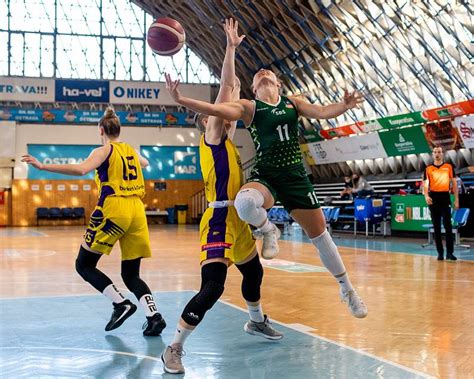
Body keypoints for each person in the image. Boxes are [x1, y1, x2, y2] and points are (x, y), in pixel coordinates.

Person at [165, 53, 368, 319]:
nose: (262, 69)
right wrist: (180, 100)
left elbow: (322, 112)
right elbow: (215, 109)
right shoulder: (249, 108)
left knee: (321, 237)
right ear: (254, 87)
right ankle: (267, 229)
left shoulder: (293, 103)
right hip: (267, 175)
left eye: (267, 71)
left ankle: (347, 290)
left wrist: (344, 105)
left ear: (278, 84)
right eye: (258, 73)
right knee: (245, 202)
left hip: (295, 176)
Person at [161, 19, 282, 375]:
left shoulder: (228, 143)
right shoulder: (212, 135)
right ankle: (174, 347)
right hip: (217, 219)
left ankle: (256, 320)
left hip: (238, 220)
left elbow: (233, 89)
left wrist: (237, 81)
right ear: (207, 121)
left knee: (254, 272)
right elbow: (228, 86)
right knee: (213, 287)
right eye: (218, 111)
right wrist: (230, 49)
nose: (224, 112)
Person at [21, 107, 166, 335]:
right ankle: (154, 317)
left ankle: (120, 303)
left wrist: (42, 166)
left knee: (84, 264)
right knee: (131, 274)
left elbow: (80, 170)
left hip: (114, 208)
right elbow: (145, 163)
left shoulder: (103, 151)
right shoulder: (130, 151)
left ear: (101, 130)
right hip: (137, 211)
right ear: (119, 129)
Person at [423, 145, 459, 261]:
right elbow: (426, 184)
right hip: (434, 198)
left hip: (445, 197)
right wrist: (426, 196)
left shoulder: (449, 167)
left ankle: (450, 253)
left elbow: (454, 184)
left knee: (448, 226)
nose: (437, 154)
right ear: (432, 154)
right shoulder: (428, 169)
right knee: (437, 227)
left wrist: (456, 199)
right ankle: (440, 253)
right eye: (435, 152)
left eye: (439, 152)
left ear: (442, 154)